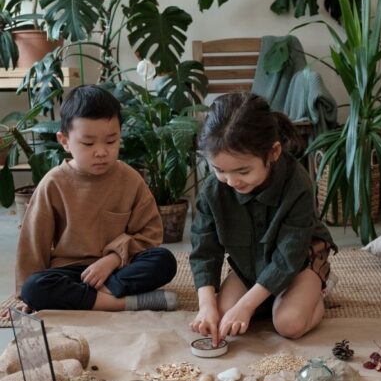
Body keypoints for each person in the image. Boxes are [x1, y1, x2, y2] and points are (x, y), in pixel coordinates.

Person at [12, 85, 178, 314]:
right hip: (71, 272)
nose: (101, 152)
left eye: (111, 141)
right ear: (64, 141)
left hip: (118, 269)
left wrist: (111, 259)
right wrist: (24, 295)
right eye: (88, 143)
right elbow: (33, 241)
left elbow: (150, 234)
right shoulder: (54, 183)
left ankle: (91, 298)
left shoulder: (130, 179)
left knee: (164, 261)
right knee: (34, 288)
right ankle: (120, 303)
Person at [189, 92, 336, 344]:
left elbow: (289, 256)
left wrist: (247, 305)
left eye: (243, 171)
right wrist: (206, 305)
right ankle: (268, 298)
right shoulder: (213, 191)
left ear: (274, 152)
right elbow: (204, 250)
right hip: (249, 263)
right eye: (219, 170)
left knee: (288, 323)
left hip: (299, 262)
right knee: (222, 316)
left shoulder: (297, 184)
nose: (232, 181)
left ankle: (318, 288)